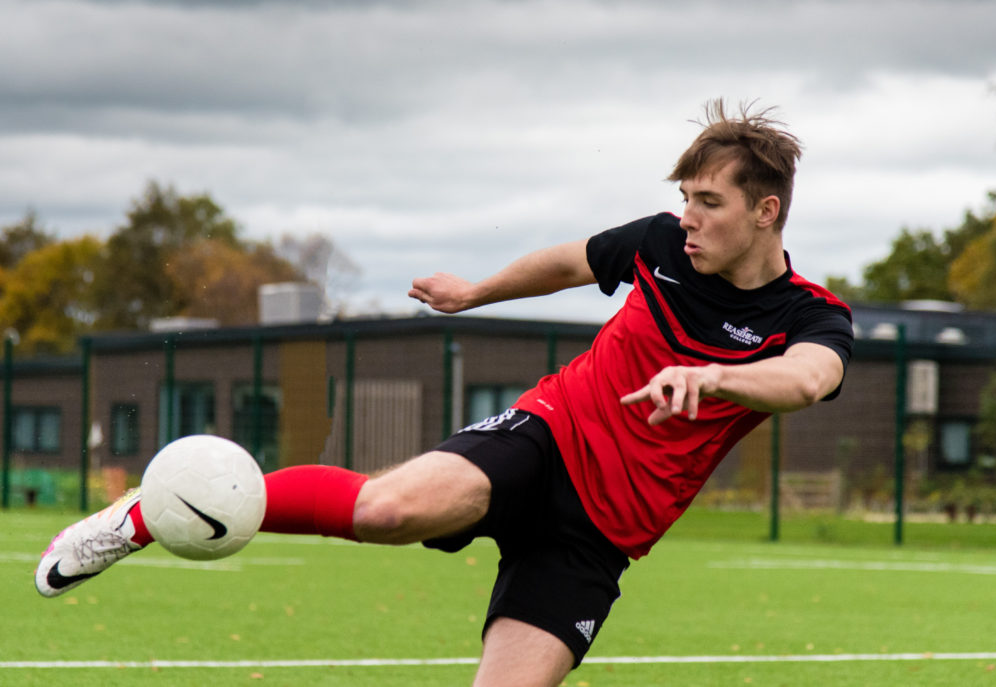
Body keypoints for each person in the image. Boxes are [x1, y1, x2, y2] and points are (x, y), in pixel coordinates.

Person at [35, 99, 853, 687]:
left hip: (602, 534)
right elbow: (569, 261)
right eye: (685, 200)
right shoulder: (661, 244)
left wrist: (717, 376)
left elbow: (809, 378)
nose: (688, 218)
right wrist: (476, 291)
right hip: (548, 437)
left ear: (766, 211)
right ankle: (145, 515)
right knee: (389, 510)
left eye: (709, 203)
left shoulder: (809, 316)